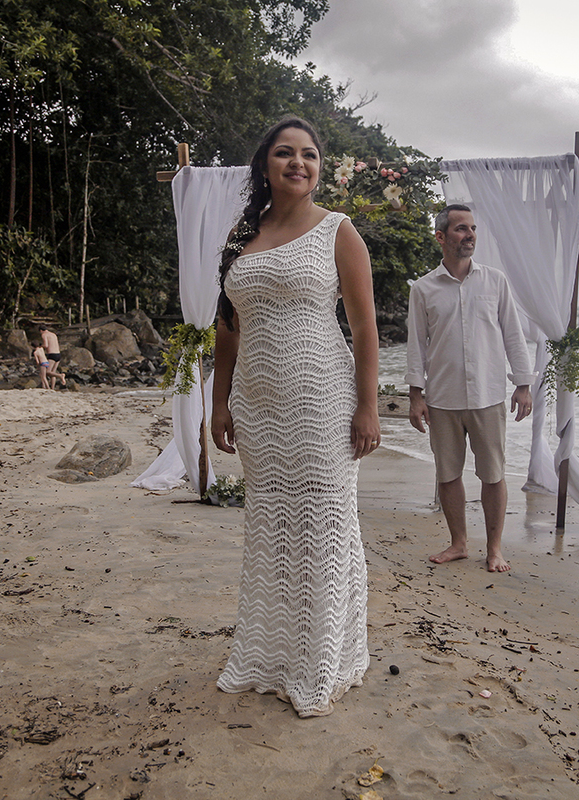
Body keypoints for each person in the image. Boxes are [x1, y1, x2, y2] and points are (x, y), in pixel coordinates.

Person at [210, 117, 380, 718]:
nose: (297, 163)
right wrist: (218, 401)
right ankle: (274, 654)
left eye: (308, 155)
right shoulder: (241, 236)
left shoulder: (339, 231)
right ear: (265, 165)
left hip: (321, 402)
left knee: (325, 528)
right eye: (285, 153)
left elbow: (364, 329)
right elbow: (227, 327)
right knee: (274, 530)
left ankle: (323, 659)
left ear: (318, 167)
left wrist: (367, 405)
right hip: (258, 405)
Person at [405, 204, 535, 573]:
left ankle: (494, 549)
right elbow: (418, 345)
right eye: (461, 228)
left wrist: (523, 385)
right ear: (442, 237)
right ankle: (459, 543)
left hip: (488, 395)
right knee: (448, 474)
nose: (470, 235)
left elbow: (514, 334)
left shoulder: (495, 281)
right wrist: (416, 396)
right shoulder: (423, 288)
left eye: (473, 228)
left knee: (492, 474)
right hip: (443, 397)